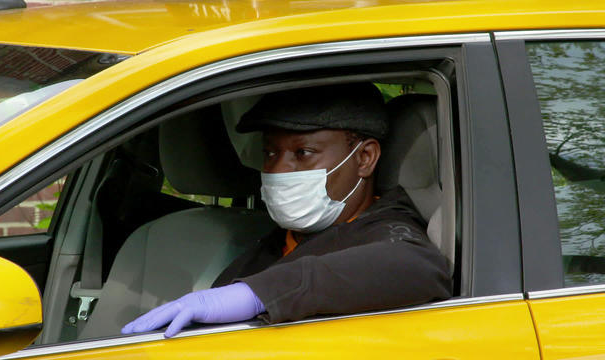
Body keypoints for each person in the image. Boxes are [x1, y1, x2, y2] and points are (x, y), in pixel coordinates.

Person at [121, 83, 452, 338]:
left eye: (304, 153)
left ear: (364, 159)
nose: (278, 170)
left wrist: (257, 294)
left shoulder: (389, 229)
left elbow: (418, 266)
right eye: (269, 153)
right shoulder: (272, 241)